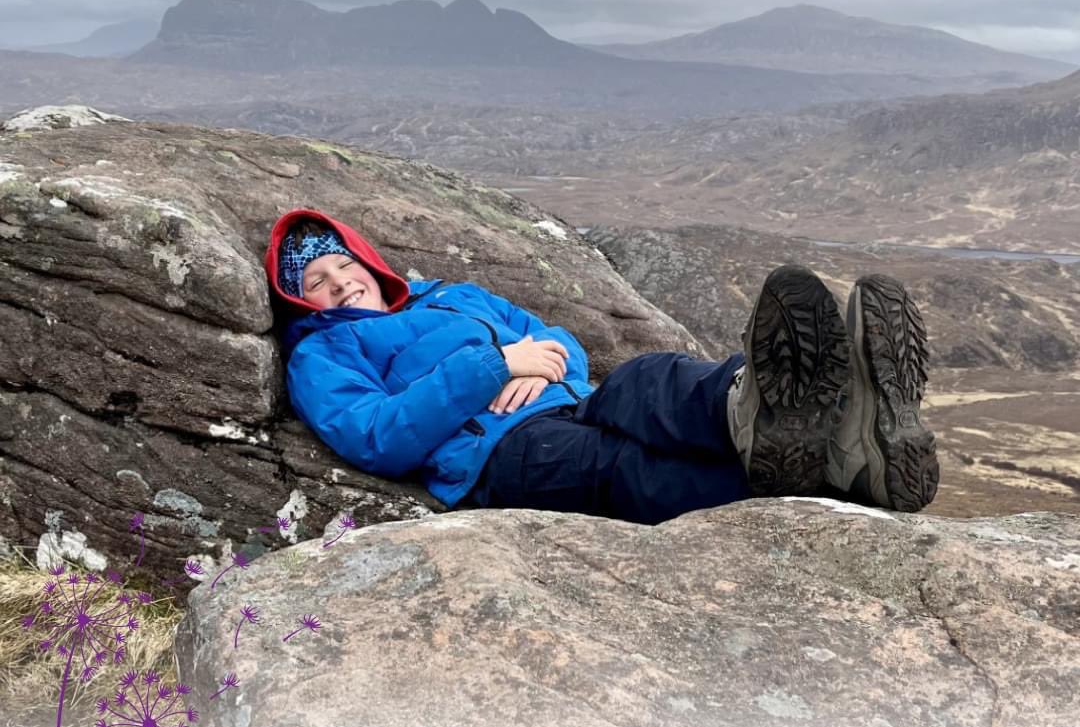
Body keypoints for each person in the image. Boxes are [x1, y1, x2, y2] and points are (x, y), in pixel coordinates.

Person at [264, 208, 939, 525]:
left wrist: (545, 362)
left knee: (649, 380)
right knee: (623, 466)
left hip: (566, 395)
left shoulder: (453, 297)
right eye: (316, 280)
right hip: (499, 452)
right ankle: (843, 479)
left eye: (343, 264)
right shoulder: (323, 351)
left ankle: (791, 411)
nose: (338, 283)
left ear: (368, 263)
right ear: (301, 299)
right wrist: (495, 366)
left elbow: (550, 334)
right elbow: (374, 433)